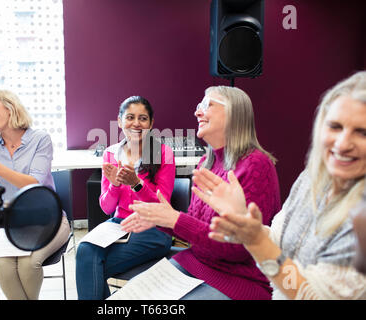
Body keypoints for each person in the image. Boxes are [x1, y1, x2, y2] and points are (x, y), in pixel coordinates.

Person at [193, 71, 366, 299]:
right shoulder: (310, 179)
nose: (342, 144)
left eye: (362, 132)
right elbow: (279, 240)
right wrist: (244, 223)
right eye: (335, 126)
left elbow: (311, 295)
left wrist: (255, 241)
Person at [122, 86, 281, 300]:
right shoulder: (205, 164)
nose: (197, 113)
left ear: (234, 112)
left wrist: (175, 219)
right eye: (199, 107)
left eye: (207, 105)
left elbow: (240, 251)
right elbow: (195, 233)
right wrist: (164, 219)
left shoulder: (256, 165)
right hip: (195, 263)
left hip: (239, 279)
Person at [0, 89, 70, 300]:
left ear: (10, 106)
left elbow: (34, 183)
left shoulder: (40, 138)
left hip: (50, 219)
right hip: (14, 224)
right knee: (2, 264)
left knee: (28, 264)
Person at [75, 95, 175, 300]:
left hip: (153, 228)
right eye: (130, 117)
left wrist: (136, 183)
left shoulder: (163, 153)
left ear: (151, 123)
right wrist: (115, 184)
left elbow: (161, 206)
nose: (136, 123)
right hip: (118, 225)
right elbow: (106, 207)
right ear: (120, 121)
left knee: (90, 269)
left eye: (143, 118)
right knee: (85, 249)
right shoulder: (111, 154)